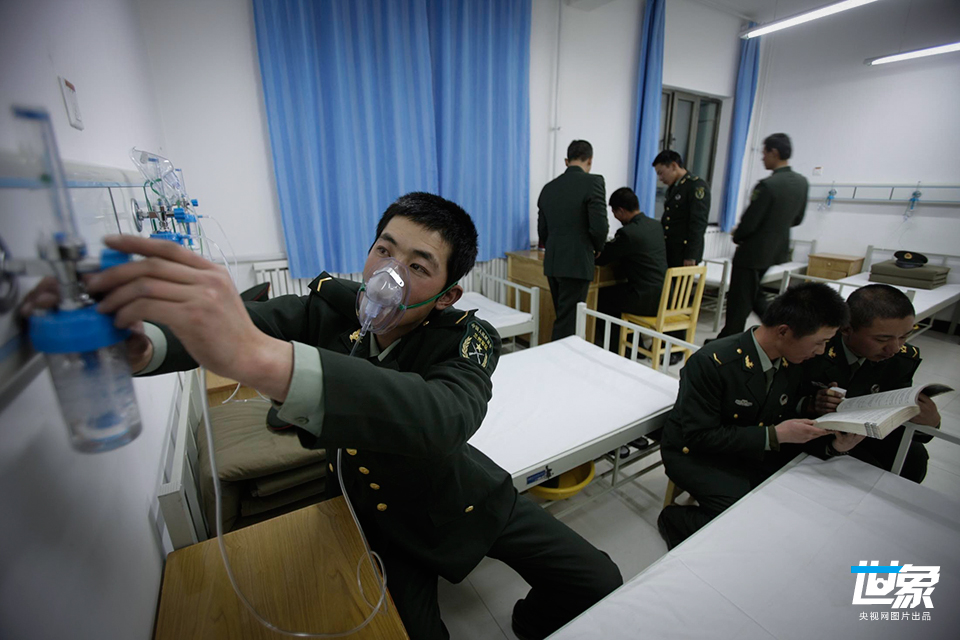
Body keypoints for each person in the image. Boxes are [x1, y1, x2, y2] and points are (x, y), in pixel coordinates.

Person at [29, 193, 622, 640]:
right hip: (384, 518)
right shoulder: (332, 307)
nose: (389, 274)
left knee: (597, 582)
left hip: (465, 497)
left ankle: (529, 622)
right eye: (384, 249)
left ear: (446, 296)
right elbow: (237, 326)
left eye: (419, 266)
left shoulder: (469, 338)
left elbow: (443, 416)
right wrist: (147, 343)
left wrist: (266, 360)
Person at [657, 283, 852, 549]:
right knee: (740, 515)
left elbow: (779, 405)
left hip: (747, 445)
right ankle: (673, 519)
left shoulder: (791, 359)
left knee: (790, 498)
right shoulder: (713, 362)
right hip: (693, 452)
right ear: (784, 331)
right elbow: (700, 436)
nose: (820, 351)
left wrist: (811, 407)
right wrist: (776, 435)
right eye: (819, 342)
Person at [800, 284, 941, 483]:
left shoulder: (901, 360)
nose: (894, 348)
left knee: (914, 459)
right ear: (846, 328)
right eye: (882, 339)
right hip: (819, 432)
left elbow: (894, 416)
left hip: (869, 432)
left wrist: (931, 421)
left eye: (904, 336)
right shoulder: (816, 349)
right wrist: (810, 404)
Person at [716, 133, 808, 339]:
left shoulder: (768, 185)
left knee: (739, 302)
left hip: (752, 253)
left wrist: (737, 235)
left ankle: (729, 341)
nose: (762, 158)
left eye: (764, 153)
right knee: (754, 294)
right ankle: (781, 328)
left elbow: (750, 222)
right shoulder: (802, 183)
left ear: (774, 152)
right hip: (775, 251)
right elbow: (798, 218)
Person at [537, 140, 608, 341]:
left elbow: (542, 231)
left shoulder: (548, 188)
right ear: (590, 160)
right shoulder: (594, 183)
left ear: (566, 161)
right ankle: (558, 357)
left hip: (553, 262)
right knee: (568, 322)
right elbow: (599, 226)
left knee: (563, 315)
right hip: (577, 262)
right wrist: (598, 247)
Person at [593, 187, 667, 353]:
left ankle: (616, 349)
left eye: (614, 213)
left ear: (621, 210)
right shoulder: (655, 226)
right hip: (664, 296)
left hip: (644, 300)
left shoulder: (628, 233)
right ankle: (634, 345)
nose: (615, 217)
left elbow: (603, 258)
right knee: (617, 293)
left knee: (601, 297)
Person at [652, 150, 710, 268]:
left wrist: (691, 255)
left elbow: (698, 223)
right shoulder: (674, 187)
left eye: (661, 173)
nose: (660, 178)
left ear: (674, 166)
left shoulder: (696, 186)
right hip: (671, 249)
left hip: (684, 252)